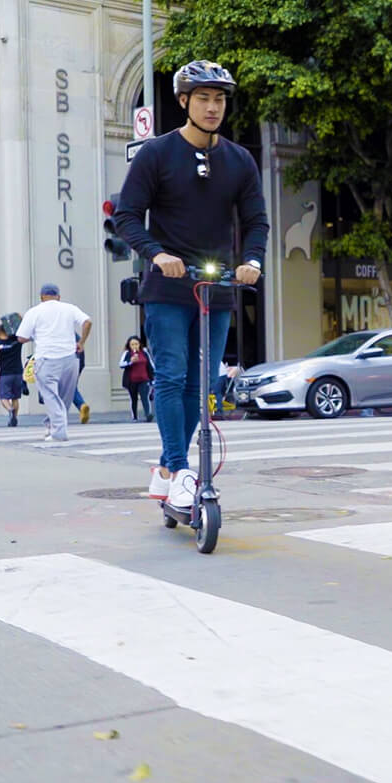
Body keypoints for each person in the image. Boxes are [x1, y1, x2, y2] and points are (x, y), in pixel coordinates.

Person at [113, 60, 268, 509]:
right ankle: (180, 468)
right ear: (183, 101)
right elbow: (126, 215)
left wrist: (252, 260)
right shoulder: (156, 154)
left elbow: (256, 219)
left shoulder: (239, 160)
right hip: (167, 287)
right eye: (203, 98)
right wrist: (157, 254)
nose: (212, 107)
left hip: (217, 285)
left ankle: (166, 469)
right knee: (173, 375)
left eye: (219, 99)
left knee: (204, 385)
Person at [15, 283, 92, 443]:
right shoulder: (69, 308)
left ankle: (58, 432)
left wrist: (35, 334)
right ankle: (51, 426)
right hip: (70, 358)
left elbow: (21, 338)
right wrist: (82, 342)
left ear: (42, 297)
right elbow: (87, 322)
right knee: (64, 397)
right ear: (58, 296)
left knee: (50, 395)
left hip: (47, 357)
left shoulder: (34, 311)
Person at [0, 323, 25, 426]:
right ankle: (14, 418)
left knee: (4, 397)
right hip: (18, 373)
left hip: (5, 374)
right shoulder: (16, 341)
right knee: (15, 397)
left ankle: (10, 409)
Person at [119, 336, 154, 421]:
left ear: (139, 344)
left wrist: (153, 378)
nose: (134, 346)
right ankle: (134, 416)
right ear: (129, 345)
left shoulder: (144, 352)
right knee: (133, 398)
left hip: (144, 379)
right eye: (132, 344)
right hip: (132, 380)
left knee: (144, 397)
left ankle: (148, 414)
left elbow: (150, 364)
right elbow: (121, 364)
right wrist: (131, 362)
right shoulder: (127, 353)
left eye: (136, 344)